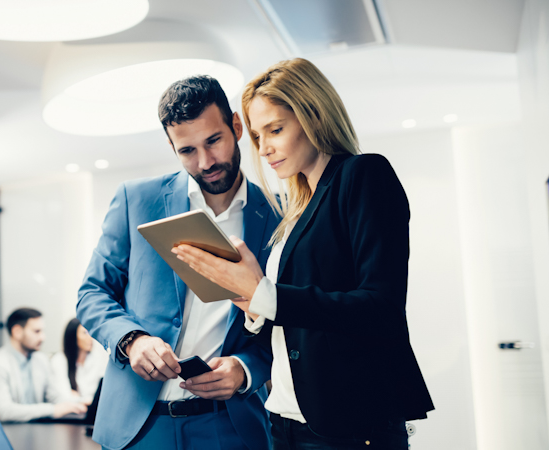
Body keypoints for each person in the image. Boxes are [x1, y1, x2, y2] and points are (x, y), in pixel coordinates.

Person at [171, 58, 435, 449]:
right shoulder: (295, 209)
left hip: (348, 425)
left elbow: (380, 308)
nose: (264, 149)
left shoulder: (363, 174)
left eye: (275, 129)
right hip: (286, 420)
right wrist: (251, 305)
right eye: (257, 136)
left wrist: (264, 294)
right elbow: (297, 324)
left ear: (314, 115)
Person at [77, 75, 279, 450]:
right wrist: (132, 340)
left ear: (237, 127)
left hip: (230, 426)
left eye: (214, 140)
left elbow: (287, 321)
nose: (205, 162)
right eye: (187, 150)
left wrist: (246, 369)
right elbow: (92, 293)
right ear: (171, 147)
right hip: (137, 427)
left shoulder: (280, 215)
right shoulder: (136, 199)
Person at [0, 308, 87, 422]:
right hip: (9, 430)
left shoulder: (40, 360)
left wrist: (80, 402)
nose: (43, 337)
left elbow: (54, 397)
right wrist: (52, 410)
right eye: (37, 331)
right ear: (17, 332)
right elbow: (3, 411)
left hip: (37, 428)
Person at [50, 319, 107, 402]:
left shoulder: (96, 358)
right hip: (70, 409)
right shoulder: (59, 360)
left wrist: (78, 397)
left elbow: (100, 391)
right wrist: (83, 399)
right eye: (85, 333)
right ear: (73, 336)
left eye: (90, 332)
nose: (90, 337)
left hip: (92, 407)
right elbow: (63, 396)